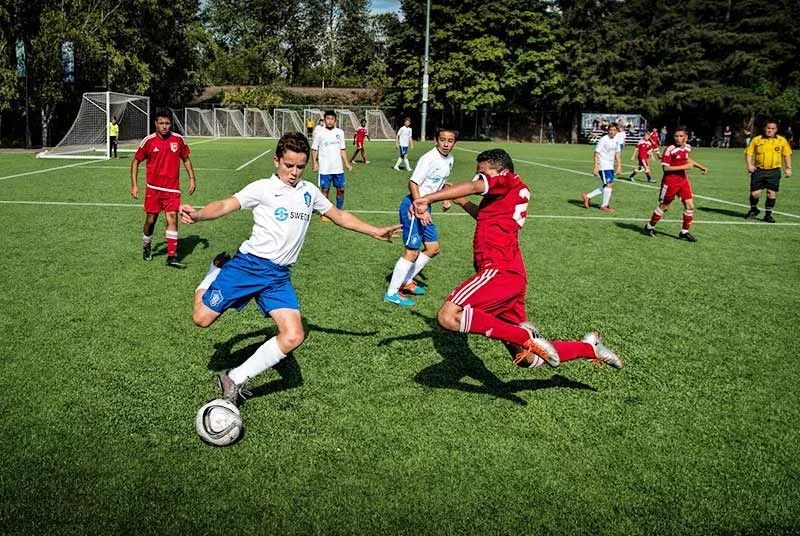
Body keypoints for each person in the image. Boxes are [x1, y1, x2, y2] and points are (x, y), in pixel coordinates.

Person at [179, 132, 401, 405]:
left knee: (294, 335)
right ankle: (214, 272)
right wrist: (199, 214)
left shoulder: (309, 192)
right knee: (201, 319)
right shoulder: (262, 188)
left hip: (278, 276)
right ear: (276, 161)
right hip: (248, 266)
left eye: (300, 166)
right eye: (288, 165)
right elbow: (227, 204)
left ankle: (234, 378)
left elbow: (338, 215)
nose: (294, 172)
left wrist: (374, 231)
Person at [411, 148, 623, 372]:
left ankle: (526, 335)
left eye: (482, 173)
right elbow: (485, 216)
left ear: (500, 172)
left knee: (448, 316)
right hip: (512, 274)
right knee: (526, 359)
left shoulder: (506, 181)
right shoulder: (510, 191)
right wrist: (461, 200)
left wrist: (426, 198)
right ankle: (588, 347)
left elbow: (474, 187)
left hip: (499, 270)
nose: (478, 178)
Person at [384, 127, 457, 307]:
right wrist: (420, 208)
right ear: (435, 140)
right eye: (442, 140)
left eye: (450, 141)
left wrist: (445, 198)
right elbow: (413, 183)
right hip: (413, 206)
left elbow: (437, 182)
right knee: (412, 251)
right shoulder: (429, 158)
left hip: (426, 206)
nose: (446, 144)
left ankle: (406, 281)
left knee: (433, 248)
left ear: (454, 143)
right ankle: (391, 293)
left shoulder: (450, 159)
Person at [130, 109, 196, 268]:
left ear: (171, 123)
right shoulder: (148, 141)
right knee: (150, 221)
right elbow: (135, 162)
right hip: (153, 189)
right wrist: (134, 185)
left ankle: (172, 256)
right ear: (156, 124)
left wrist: (192, 178)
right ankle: (146, 245)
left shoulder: (178, 140)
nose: (164, 126)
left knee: (172, 218)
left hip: (172, 189)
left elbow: (185, 159)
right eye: (161, 123)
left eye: (167, 123)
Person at [644, 126, 708, 242]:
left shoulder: (688, 147)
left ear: (686, 137)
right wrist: (685, 167)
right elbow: (666, 168)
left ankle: (684, 232)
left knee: (690, 206)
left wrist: (701, 167)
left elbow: (687, 160)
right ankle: (649, 227)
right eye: (676, 136)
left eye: (681, 136)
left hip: (683, 180)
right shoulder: (670, 149)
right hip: (670, 182)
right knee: (665, 207)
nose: (678, 138)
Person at [744, 120, 792, 223]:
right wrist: (749, 164)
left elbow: (787, 154)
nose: (770, 130)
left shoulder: (781, 140)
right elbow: (749, 153)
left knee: (771, 193)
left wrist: (788, 168)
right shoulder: (757, 140)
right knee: (755, 194)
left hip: (774, 171)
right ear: (764, 128)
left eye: (772, 129)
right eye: (768, 128)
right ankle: (753, 209)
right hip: (759, 170)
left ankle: (768, 215)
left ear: (776, 130)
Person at [311, 110, 351, 222]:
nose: (330, 121)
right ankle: (326, 213)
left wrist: (347, 163)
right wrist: (314, 163)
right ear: (324, 120)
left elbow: (342, 149)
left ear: (335, 120)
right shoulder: (319, 133)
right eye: (327, 119)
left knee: (341, 189)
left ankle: (339, 210)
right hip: (325, 168)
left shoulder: (340, 132)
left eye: (332, 119)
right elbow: (314, 149)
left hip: (338, 168)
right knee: (325, 190)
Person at [581, 122, 621, 212]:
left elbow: (617, 153)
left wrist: (619, 165)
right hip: (603, 165)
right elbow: (596, 153)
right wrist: (596, 166)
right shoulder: (604, 139)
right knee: (609, 185)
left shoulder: (617, 140)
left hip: (610, 166)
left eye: (614, 130)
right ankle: (604, 205)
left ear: (617, 131)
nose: (612, 132)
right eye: (610, 130)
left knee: (607, 185)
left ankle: (587, 196)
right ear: (608, 130)